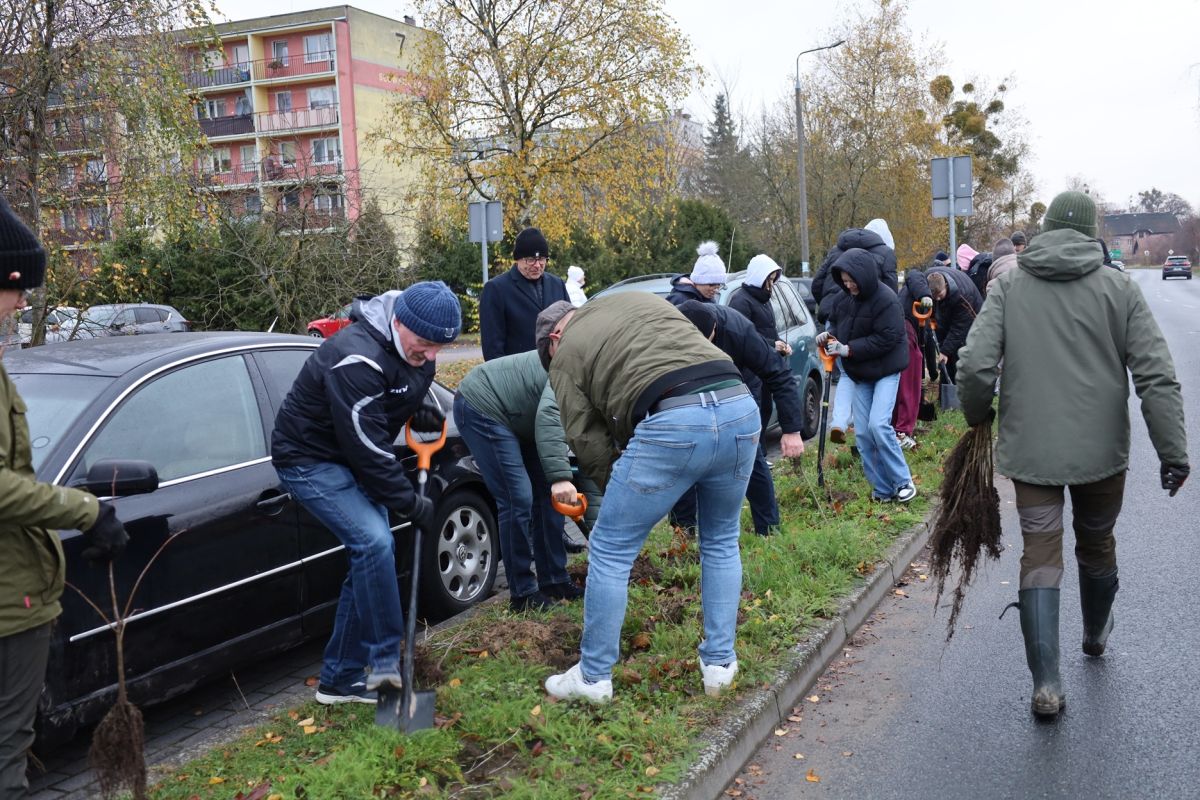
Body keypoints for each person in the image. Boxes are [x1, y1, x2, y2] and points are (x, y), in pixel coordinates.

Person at [956, 190, 1188, 718]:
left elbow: (973, 368)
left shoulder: (1009, 286)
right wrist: (1173, 453)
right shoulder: (1118, 289)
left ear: (1044, 230)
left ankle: (1047, 685)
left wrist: (976, 417)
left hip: (1032, 451)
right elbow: (1155, 377)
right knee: (1097, 542)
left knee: (1039, 554)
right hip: (1102, 453)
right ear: (1090, 235)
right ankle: (1094, 633)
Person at [537, 293, 758, 703]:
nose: (553, 361)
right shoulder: (635, 300)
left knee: (609, 546)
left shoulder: (565, 353)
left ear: (554, 338)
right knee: (722, 539)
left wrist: (624, 494)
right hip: (738, 404)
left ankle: (592, 678)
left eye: (547, 355)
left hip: (673, 419)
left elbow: (588, 440)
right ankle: (720, 666)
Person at [272, 282, 461, 705]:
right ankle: (386, 674)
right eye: (425, 344)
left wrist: (419, 407)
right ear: (398, 322)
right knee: (375, 543)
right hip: (309, 458)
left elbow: (401, 387)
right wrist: (411, 503)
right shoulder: (356, 357)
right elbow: (371, 451)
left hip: (350, 454)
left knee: (372, 556)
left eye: (440, 348)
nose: (431, 355)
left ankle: (339, 680)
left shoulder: (412, 346)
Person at [0, 196, 129, 795]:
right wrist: (87, 509)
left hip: (16, 586)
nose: (23, 302)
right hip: (6, 598)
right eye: (18, 288)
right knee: (8, 748)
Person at [453, 327, 594, 612]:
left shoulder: (598, 386)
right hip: (484, 404)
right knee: (518, 497)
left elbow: (591, 461)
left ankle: (554, 579)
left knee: (549, 497)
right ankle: (523, 593)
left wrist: (598, 529)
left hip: (523, 416)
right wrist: (561, 477)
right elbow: (549, 419)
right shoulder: (574, 376)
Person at [672, 300, 806, 536]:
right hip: (692, 392)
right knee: (685, 456)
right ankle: (683, 532)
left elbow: (779, 375)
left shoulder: (737, 330)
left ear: (714, 329)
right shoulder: (671, 333)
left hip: (738, 386)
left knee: (749, 455)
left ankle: (768, 529)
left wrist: (792, 430)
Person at [817, 248, 915, 503]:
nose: (849, 285)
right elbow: (837, 327)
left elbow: (888, 338)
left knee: (878, 425)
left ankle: (903, 481)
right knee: (862, 433)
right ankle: (882, 489)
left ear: (864, 276)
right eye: (845, 281)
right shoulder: (843, 299)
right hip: (861, 373)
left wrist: (848, 349)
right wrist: (828, 339)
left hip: (886, 371)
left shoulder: (887, 299)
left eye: (852, 280)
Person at [812, 220, 898, 444]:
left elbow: (817, 281)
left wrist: (826, 306)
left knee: (846, 372)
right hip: (865, 316)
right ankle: (858, 424)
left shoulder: (836, 249)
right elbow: (890, 291)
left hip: (835, 313)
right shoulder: (885, 252)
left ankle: (839, 421)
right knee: (856, 366)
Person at [480, 227, 569, 361]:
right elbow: (492, 347)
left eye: (542, 259)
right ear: (518, 259)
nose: (537, 265)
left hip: (555, 370)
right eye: (531, 259)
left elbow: (568, 326)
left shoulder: (558, 284)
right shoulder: (496, 289)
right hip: (517, 373)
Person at [728, 254, 792, 430]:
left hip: (766, 366)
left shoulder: (763, 299)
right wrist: (772, 344)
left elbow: (768, 329)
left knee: (765, 410)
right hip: (751, 370)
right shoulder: (740, 301)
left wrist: (780, 343)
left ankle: (761, 456)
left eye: (773, 280)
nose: (771, 285)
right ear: (758, 277)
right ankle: (759, 456)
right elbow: (743, 336)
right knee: (756, 414)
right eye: (768, 280)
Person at [893, 268, 933, 450]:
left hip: (902, 331)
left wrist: (932, 371)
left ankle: (896, 429)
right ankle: (903, 432)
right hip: (905, 333)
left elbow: (929, 339)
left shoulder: (909, 296)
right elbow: (914, 274)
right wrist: (926, 294)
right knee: (909, 385)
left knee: (899, 383)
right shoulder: (919, 280)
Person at [925, 265, 983, 382]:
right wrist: (934, 326)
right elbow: (933, 313)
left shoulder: (964, 296)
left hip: (973, 318)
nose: (937, 299)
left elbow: (959, 329)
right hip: (950, 311)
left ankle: (961, 389)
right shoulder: (929, 277)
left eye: (940, 295)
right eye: (934, 297)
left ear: (946, 285)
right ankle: (946, 390)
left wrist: (945, 351)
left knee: (959, 353)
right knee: (946, 352)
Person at [667, 240, 726, 306]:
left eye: (718, 286)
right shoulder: (679, 299)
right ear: (699, 281)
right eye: (712, 285)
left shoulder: (710, 300)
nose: (716, 290)